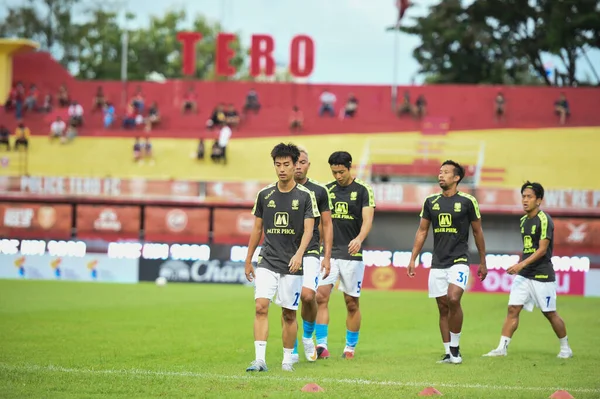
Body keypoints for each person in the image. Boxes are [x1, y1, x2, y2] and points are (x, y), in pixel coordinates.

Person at [244, 143, 320, 372]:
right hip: (267, 260)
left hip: (293, 263)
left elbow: (309, 230)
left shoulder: (306, 196)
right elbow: (257, 230)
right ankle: (259, 360)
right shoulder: (265, 195)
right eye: (278, 165)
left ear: (295, 165)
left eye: (286, 165)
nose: (282, 169)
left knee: (288, 314)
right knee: (260, 307)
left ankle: (288, 360)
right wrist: (248, 259)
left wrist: (299, 255)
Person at [408, 160, 487, 365]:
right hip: (438, 263)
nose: (441, 175)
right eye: (440, 172)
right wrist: (413, 257)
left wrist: (483, 261)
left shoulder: (468, 201)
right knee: (443, 308)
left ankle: (455, 347)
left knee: (453, 299)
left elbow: (477, 232)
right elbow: (422, 231)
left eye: (445, 172)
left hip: (459, 260)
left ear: (457, 177)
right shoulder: (430, 202)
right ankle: (447, 352)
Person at [483, 181, 573, 359]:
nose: (525, 200)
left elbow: (541, 250)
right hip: (524, 275)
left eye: (529, 197)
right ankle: (502, 348)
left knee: (549, 313)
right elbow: (528, 249)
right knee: (512, 309)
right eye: (523, 196)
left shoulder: (544, 219)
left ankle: (565, 348)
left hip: (542, 274)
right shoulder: (524, 221)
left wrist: (520, 265)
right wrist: (519, 264)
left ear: (538, 200)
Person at [315, 151, 375, 360]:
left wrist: (359, 238)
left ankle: (350, 347)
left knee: (351, 302)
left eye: (341, 172)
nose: (338, 176)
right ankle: (321, 346)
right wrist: (319, 248)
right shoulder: (326, 191)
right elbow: (322, 223)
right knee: (320, 296)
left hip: (352, 254)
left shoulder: (363, 190)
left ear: (350, 168)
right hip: (329, 253)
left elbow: (367, 219)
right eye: (334, 172)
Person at [290, 147, 333, 364]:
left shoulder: (319, 191)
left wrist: (326, 256)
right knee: (290, 304)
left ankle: (308, 337)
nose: (298, 166)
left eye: (303, 162)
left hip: (311, 251)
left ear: (308, 165)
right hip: (284, 252)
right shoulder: (278, 191)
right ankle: (293, 349)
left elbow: (326, 223)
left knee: (308, 296)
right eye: (295, 162)